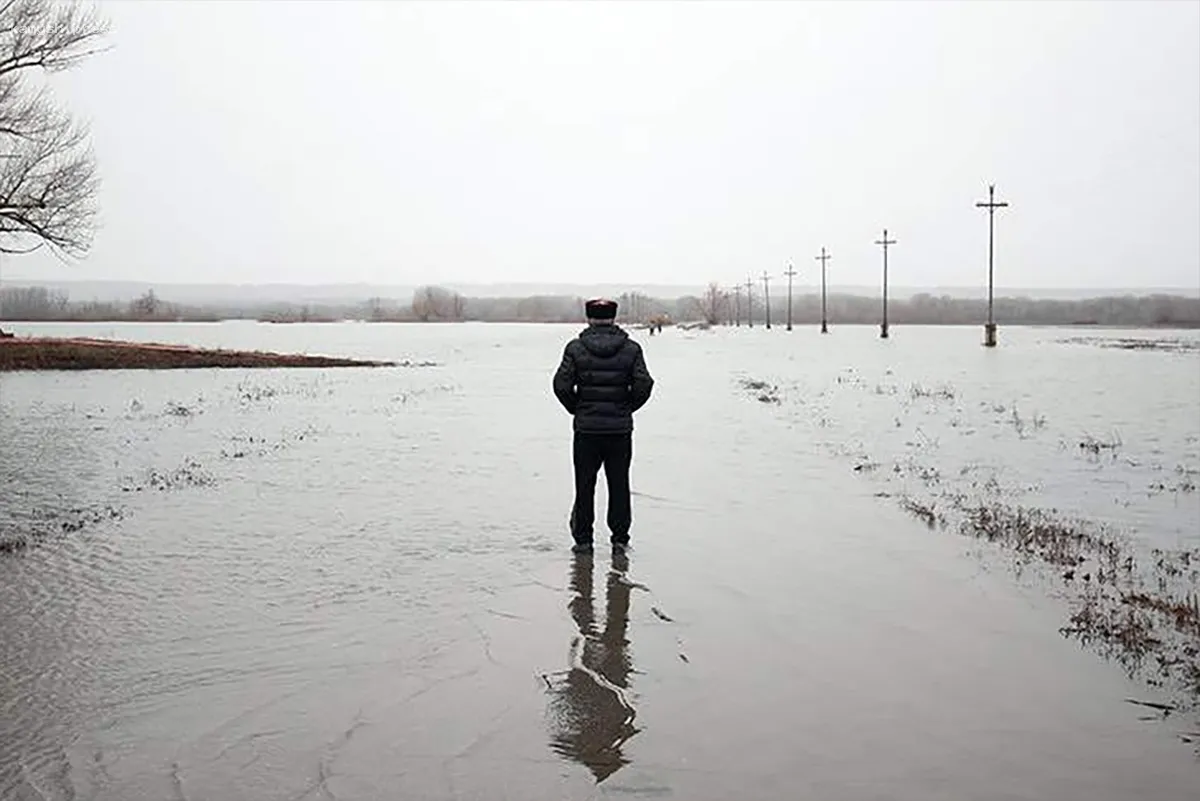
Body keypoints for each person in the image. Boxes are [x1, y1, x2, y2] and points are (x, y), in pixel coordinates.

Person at [552, 298, 654, 555]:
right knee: (619, 484)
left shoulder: (575, 348)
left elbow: (561, 385)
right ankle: (619, 540)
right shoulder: (631, 349)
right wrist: (626, 407)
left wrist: (577, 408)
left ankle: (583, 541)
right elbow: (644, 384)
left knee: (584, 485)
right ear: (613, 317)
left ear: (589, 318)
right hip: (620, 430)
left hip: (586, 429)